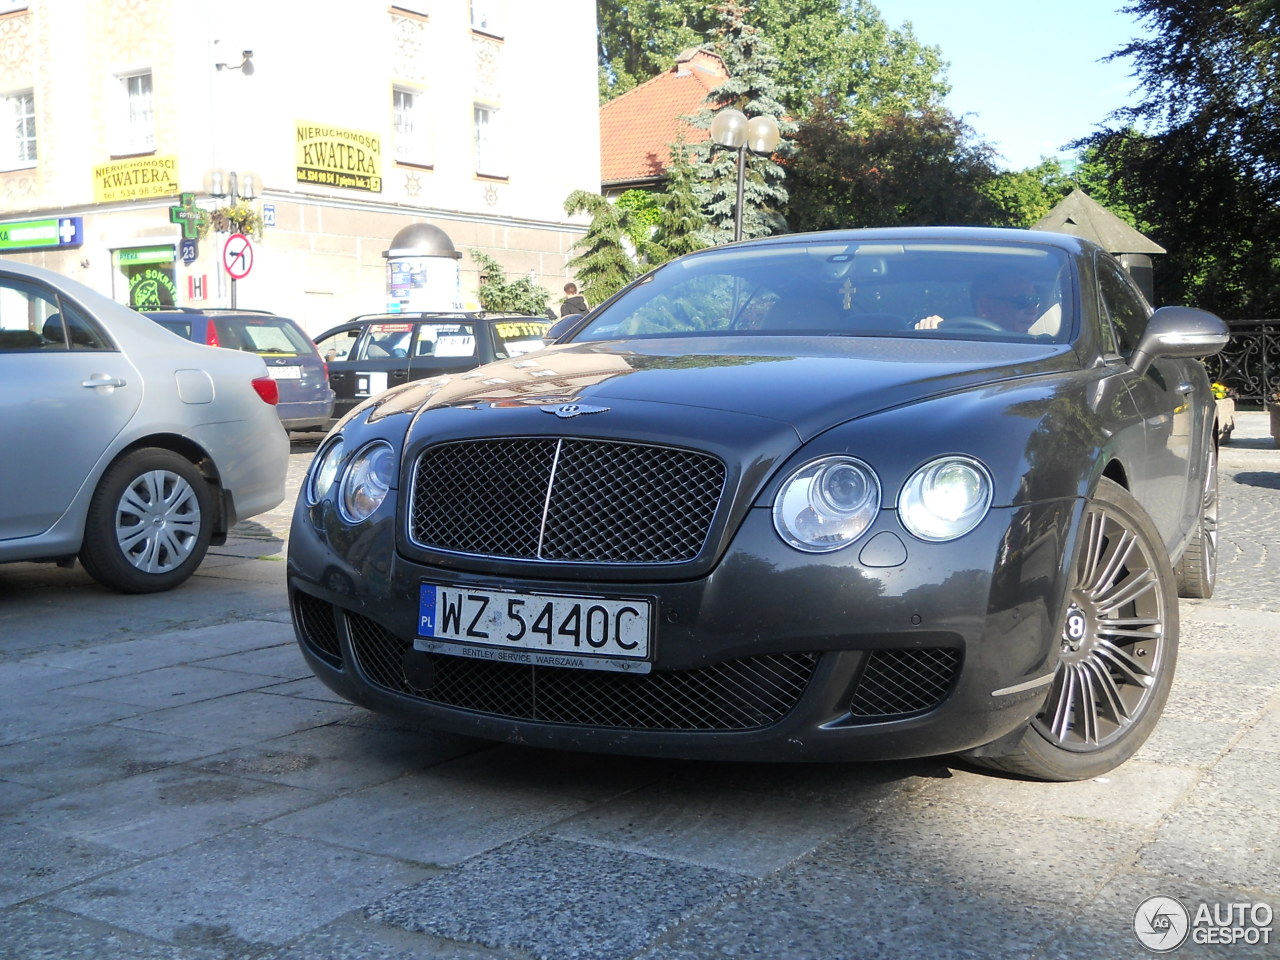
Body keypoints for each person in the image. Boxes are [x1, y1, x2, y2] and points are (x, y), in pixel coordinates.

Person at [915, 270, 1042, 334]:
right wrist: (927, 338)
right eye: (1022, 300)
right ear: (986, 307)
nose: (1033, 310)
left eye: (1035, 300)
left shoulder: (1048, 350)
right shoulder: (948, 343)